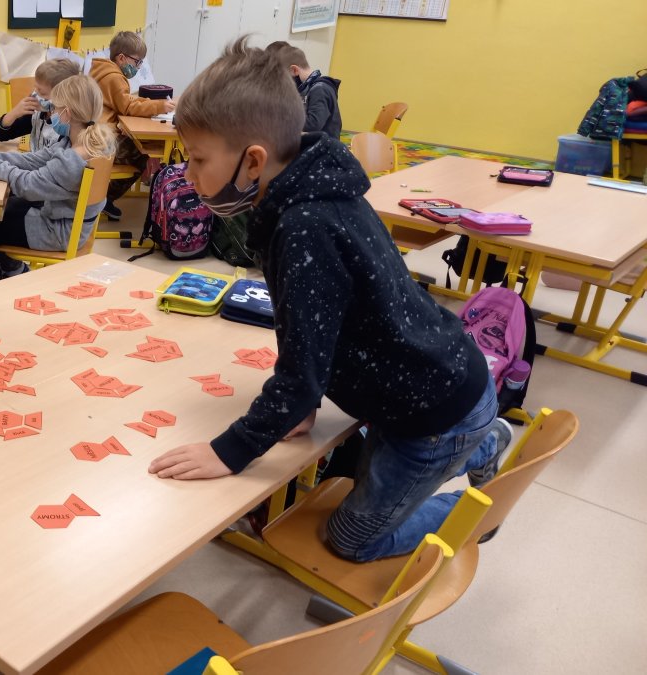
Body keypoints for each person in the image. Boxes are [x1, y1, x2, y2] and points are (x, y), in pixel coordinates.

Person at [147, 40, 512, 563]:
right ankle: (483, 438)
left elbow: (300, 368)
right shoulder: (312, 187)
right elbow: (316, 323)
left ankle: (480, 506)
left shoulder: (304, 227)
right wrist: (306, 403)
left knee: (353, 539)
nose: (187, 174)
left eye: (198, 159)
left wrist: (230, 451)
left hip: (432, 414)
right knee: (364, 480)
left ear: (253, 161)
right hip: (429, 381)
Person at [0, 74, 116, 282]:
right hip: (65, 221)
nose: (51, 114)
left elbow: (28, 185)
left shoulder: (72, 160)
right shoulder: (81, 142)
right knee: (1, 208)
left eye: (55, 109)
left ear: (67, 113)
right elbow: (33, 160)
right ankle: (12, 268)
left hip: (58, 232)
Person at [88, 31, 174, 221]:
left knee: (140, 147)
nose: (138, 67)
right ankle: (103, 198)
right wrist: (159, 106)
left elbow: (125, 101)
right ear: (121, 58)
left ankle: (102, 196)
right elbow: (128, 106)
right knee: (143, 155)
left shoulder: (102, 71)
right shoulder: (114, 77)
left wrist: (150, 103)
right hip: (102, 142)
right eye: (137, 62)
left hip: (96, 135)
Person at [0, 58, 81, 152]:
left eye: (42, 93)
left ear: (63, 97)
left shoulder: (71, 126)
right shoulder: (36, 114)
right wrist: (14, 113)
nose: (35, 94)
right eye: (35, 88)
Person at [266, 41, 342, 138]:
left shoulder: (320, 89)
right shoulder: (306, 88)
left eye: (284, 77)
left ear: (294, 70)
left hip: (324, 145)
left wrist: (282, 120)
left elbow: (313, 124)